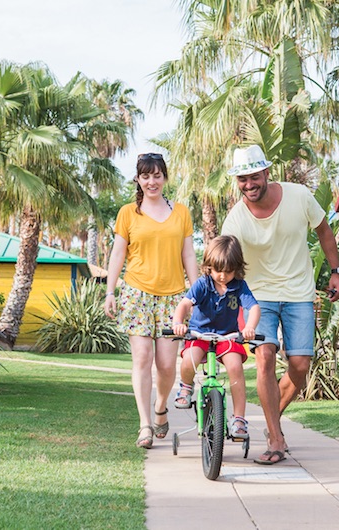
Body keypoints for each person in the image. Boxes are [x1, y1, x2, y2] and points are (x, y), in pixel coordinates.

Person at [221, 144, 339, 465]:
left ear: (266, 172)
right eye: (242, 179)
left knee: (300, 366)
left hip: (299, 293)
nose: (249, 184)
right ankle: (276, 437)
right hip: (257, 296)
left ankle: (272, 414)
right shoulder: (235, 219)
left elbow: (324, 231)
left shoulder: (298, 196)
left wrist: (335, 272)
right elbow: (225, 259)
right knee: (264, 357)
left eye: (254, 177)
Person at [104, 153, 199, 449]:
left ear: (165, 178)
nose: (151, 181)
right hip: (136, 293)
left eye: (157, 175)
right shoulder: (128, 213)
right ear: (138, 179)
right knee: (142, 359)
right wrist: (110, 291)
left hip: (173, 297)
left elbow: (188, 255)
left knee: (168, 364)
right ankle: (145, 424)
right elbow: (118, 254)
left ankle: (161, 406)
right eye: (146, 176)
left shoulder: (181, 212)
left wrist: (197, 293)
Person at [171, 235, 261, 439]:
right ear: (209, 266)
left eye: (228, 272)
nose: (222, 276)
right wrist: (178, 323)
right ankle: (185, 387)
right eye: (217, 270)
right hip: (199, 334)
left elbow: (254, 308)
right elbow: (185, 304)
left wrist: (250, 327)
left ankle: (239, 419)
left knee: (236, 368)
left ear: (237, 269)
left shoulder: (239, 286)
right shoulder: (203, 284)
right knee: (189, 360)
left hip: (226, 337)